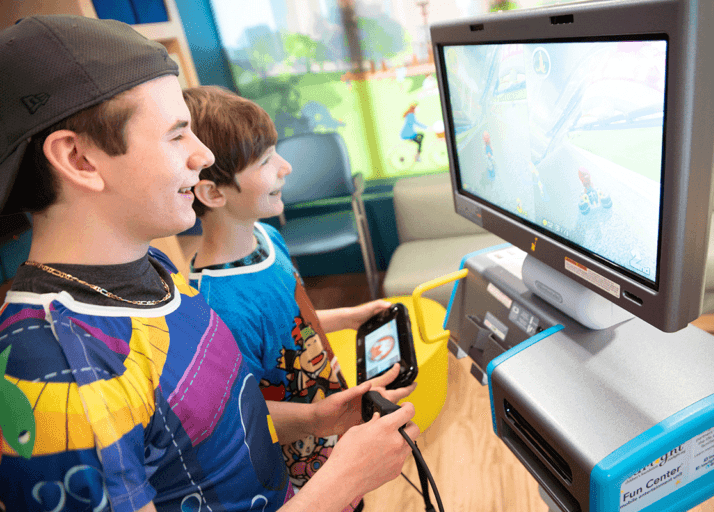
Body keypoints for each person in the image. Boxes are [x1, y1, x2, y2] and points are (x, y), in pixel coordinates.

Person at [0, 15, 418, 512]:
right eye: (177, 136)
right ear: (79, 159)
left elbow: (214, 425)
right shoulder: (58, 373)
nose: (201, 156)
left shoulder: (150, 267)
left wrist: (317, 421)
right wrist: (341, 483)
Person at [182, 85, 417, 511]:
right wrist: (314, 420)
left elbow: (290, 321)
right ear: (214, 193)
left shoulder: (267, 237)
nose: (286, 167)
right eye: (266, 161)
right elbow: (247, 413)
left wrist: (348, 316)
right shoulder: (218, 305)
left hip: (333, 422)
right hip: (301, 466)